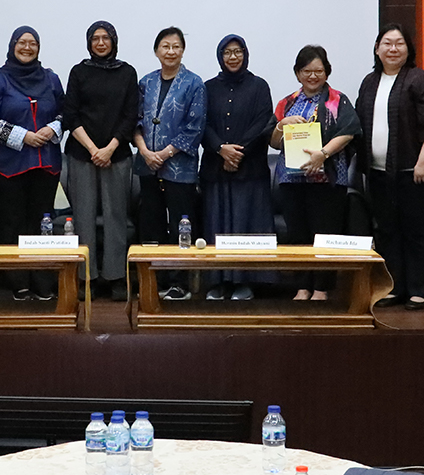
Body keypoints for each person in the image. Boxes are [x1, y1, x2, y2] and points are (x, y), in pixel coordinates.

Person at [356, 24, 424, 310]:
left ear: (408, 49)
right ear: (377, 48)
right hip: (379, 173)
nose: (393, 49)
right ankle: (393, 287)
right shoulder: (369, 81)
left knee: (417, 231)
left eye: (399, 43)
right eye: (387, 43)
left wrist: (422, 162)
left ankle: (420, 289)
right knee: (387, 231)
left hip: (415, 172)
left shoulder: (420, 79)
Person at [0, 26, 65, 300]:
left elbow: (65, 113)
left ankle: (43, 281)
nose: (27, 48)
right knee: (12, 222)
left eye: (33, 44)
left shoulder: (51, 79)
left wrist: (51, 129)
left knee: (42, 223)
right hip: (9, 165)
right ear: (12, 45)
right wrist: (24, 136)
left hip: (46, 165)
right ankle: (17, 282)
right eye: (22, 42)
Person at [271, 45, 359, 301]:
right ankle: (302, 287)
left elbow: (349, 131)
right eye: (306, 71)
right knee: (297, 235)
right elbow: (274, 142)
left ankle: (321, 289)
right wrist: (281, 124)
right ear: (297, 73)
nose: (312, 76)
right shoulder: (287, 103)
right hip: (292, 179)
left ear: (327, 72)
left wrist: (323, 153)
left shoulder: (338, 100)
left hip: (327, 179)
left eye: (318, 71)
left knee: (325, 234)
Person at [63, 21, 139, 301]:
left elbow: (131, 115)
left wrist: (109, 148)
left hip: (116, 155)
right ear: (88, 42)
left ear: (114, 41)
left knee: (116, 217)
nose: (100, 43)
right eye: (95, 38)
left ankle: (116, 277)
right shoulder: (78, 71)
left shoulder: (127, 72)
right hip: (82, 153)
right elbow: (70, 115)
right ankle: (87, 278)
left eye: (106, 38)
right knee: (83, 218)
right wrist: (94, 149)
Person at [200, 35, 277, 301]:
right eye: (227, 52)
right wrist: (220, 148)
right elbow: (202, 123)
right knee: (216, 226)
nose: (233, 57)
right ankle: (218, 282)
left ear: (245, 54)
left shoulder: (259, 86)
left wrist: (237, 152)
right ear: (219, 56)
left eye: (238, 52)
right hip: (215, 169)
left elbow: (264, 123)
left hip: (250, 169)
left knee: (247, 226)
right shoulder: (208, 88)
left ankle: (246, 282)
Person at [133, 26, 205, 301]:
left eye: (176, 46)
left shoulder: (194, 83)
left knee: (180, 224)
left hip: (180, 168)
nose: (171, 51)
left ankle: (178, 283)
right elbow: (135, 122)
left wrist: (163, 154)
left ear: (183, 50)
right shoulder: (146, 82)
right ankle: (153, 281)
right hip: (147, 165)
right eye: (165, 46)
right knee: (150, 224)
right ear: (156, 51)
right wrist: (144, 151)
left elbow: (194, 128)